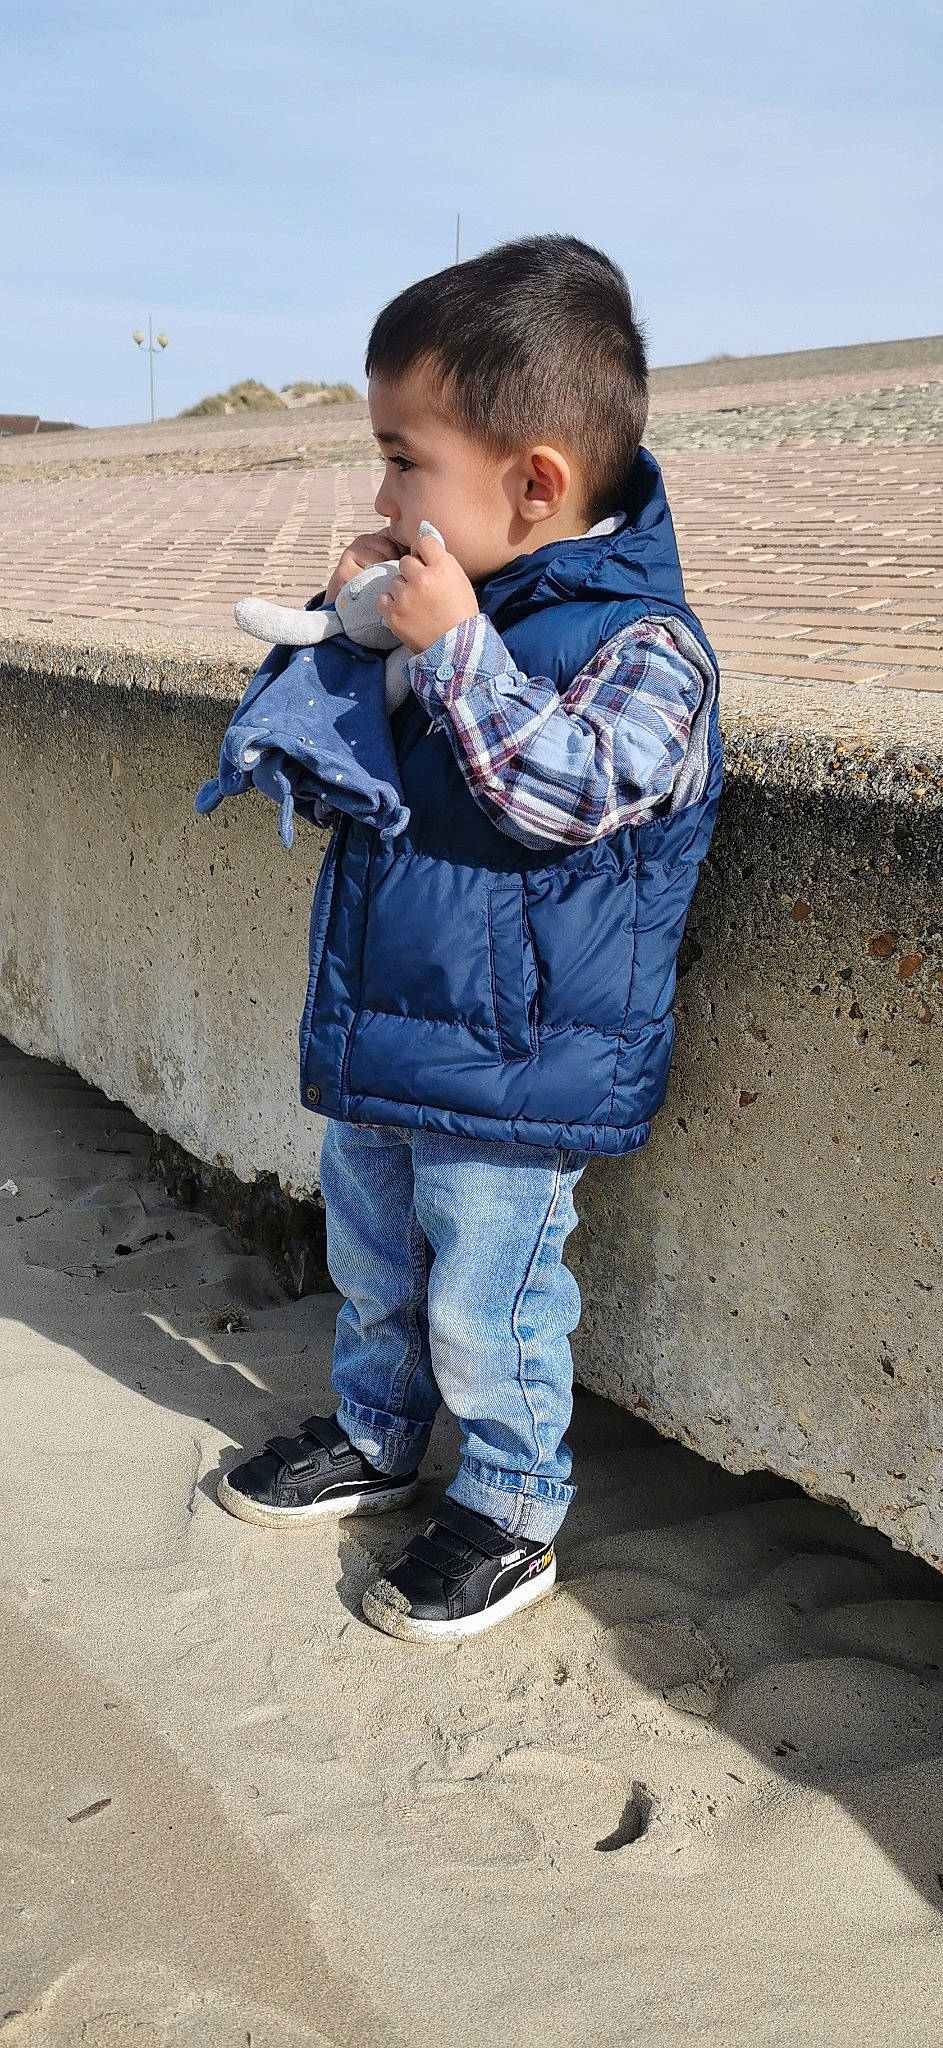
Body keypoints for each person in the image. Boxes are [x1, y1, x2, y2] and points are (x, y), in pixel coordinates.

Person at [216, 233, 723, 1644]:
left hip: (521, 1066)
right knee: (374, 1258)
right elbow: (336, 777)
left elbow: (561, 798)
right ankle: (375, 1434)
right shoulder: (458, 606)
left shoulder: (649, 649)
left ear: (537, 482)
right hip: (388, 1021)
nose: (383, 497)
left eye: (403, 462)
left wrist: (448, 648)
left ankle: (509, 1507)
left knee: (491, 1300)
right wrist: (347, 641)